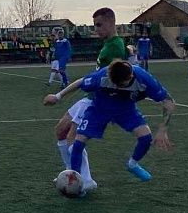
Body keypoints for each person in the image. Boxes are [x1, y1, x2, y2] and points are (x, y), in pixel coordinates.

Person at [44, 60, 175, 189]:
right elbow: (81, 82)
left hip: (126, 110)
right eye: (114, 83)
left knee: (146, 138)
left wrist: (163, 129)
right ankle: (76, 181)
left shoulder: (143, 79)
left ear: (130, 76)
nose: (116, 87)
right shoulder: (102, 75)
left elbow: (168, 101)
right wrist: (58, 96)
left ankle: (132, 164)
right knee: (78, 143)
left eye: (120, 85)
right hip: (99, 109)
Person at [52, 7, 127, 192]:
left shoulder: (115, 46)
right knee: (60, 131)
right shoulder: (110, 44)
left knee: (73, 139)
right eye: (95, 25)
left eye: (99, 25)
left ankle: (85, 181)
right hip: (90, 97)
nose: (96, 29)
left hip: (98, 101)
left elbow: (119, 79)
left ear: (111, 22)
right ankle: (71, 174)